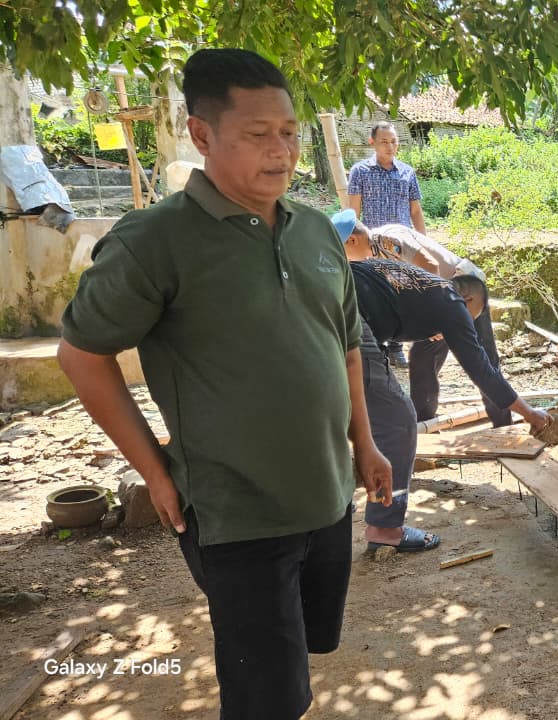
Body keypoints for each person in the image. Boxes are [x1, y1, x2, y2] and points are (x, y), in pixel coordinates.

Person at [56, 49, 392, 719]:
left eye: (289, 132)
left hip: (327, 497)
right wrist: (154, 473)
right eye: (258, 133)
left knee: (303, 653)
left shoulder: (315, 229)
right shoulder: (155, 241)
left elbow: (347, 346)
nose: (282, 151)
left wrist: (366, 441)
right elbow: (81, 356)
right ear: (202, 134)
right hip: (236, 515)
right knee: (267, 698)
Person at [332, 212, 553, 551]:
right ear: (469, 300)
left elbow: (383, 309)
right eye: (473, 316)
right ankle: (385, 528)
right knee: (398, 421)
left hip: (323, 299)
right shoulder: (451, 301)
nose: (468, 323)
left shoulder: (420, 288)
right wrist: (530, 413)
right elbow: (481, 369)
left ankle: (332, 509)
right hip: (345, 310)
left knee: (337, 412)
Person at [332, 210, 512, 427]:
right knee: (422, 360)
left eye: (343, 251)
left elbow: (429, 265)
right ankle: (423, 422)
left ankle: (504, 424)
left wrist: (439, 311)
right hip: (441, 305)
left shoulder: (388, 239)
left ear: (352, 240)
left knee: (482, 359)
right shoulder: (373, 256)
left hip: (466, 295)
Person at [346, 121, 425, 366]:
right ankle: (377, 345)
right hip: (372, 245)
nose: (390, 146)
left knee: (403, 293)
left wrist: (423, 241)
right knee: (377, 296)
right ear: (372, 142)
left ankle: (396, 346)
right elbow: (353, 211)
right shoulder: (360, 171)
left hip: (403, 246)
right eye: (384, 141)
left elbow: (415, 210)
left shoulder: (407, 172)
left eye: (393, 142)